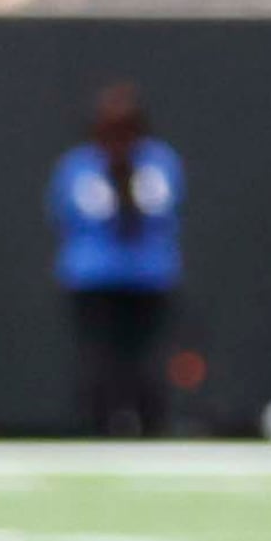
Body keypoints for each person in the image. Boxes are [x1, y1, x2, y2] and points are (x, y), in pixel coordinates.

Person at [49, 84, 182, 437]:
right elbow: (63, 215)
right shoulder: (79, 166)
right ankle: (96, 426)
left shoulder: (158, 163)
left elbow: (165, 211)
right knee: (99, 359)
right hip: (94, 278)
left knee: (147, 360)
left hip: (148, 277)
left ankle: (152, 428)